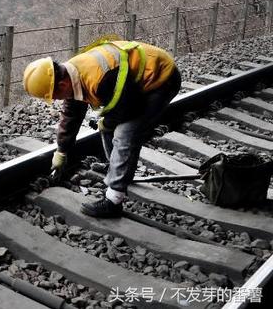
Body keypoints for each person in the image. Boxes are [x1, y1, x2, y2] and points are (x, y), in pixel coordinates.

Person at [22, 37, 181, 218]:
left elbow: (129, 108)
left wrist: (107, 122)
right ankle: (114, 167)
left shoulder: (101, 78)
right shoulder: (71, 73)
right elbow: (71, 116)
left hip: (161, 78)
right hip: (132, 85)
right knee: (106, 126)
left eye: (55, 96)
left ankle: (114, 200)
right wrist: (62, 151)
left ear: (62, 84)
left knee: (125, 133)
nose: (57, 100)